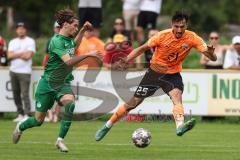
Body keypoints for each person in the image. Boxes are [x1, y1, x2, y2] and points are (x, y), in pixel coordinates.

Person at [95, 11, 217, 141]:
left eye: (182, 26)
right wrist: (126, 59)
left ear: (186, 25)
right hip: (154, 72)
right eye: (176, 26)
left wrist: (210, 53)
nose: (179, 29)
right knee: (133, 103)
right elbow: (141, 49)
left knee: (176, 97)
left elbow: (212, 58)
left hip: (172, 74)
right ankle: (107, 125)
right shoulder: (161, 36)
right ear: (172, 25)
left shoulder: (192, 37)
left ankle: (180, 126)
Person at [12, 9, 100, 152]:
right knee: (38, 121)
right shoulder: (56, 41)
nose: (76, 28)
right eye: (75, 25)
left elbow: (74, 46)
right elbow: (69, 62)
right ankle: (20, 127)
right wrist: (88, 55)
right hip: (47, 84)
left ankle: (60, 140)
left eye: (78, 26)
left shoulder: (68, 40)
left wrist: (83, 30)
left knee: (70, 104)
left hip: (62, 83)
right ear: (65, 24)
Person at [8, 22, 36, 122]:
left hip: (25, 71)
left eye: (22, 28)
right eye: (19, 28)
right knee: (16, 93)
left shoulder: (30, 41)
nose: (21, 30)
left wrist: (15, 54)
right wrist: (22, 53)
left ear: (25, 30)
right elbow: (9, 56)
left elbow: (28, 56)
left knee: (24, 94)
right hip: (13, 71)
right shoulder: (12, 41)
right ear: (16, 30)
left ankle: (27, 114)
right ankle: (20, 113)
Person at [42, 21, 61, 123]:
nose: (58, 29)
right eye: (57, 27)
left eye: (60, 27)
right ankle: (50, 114)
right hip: (51, 72)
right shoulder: (51, 40)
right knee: (49, 94)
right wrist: (45, 69)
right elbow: (46, 57)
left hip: (61, 73)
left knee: (59, 95)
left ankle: (56, 115)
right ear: (54, 29)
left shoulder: (66, 39)